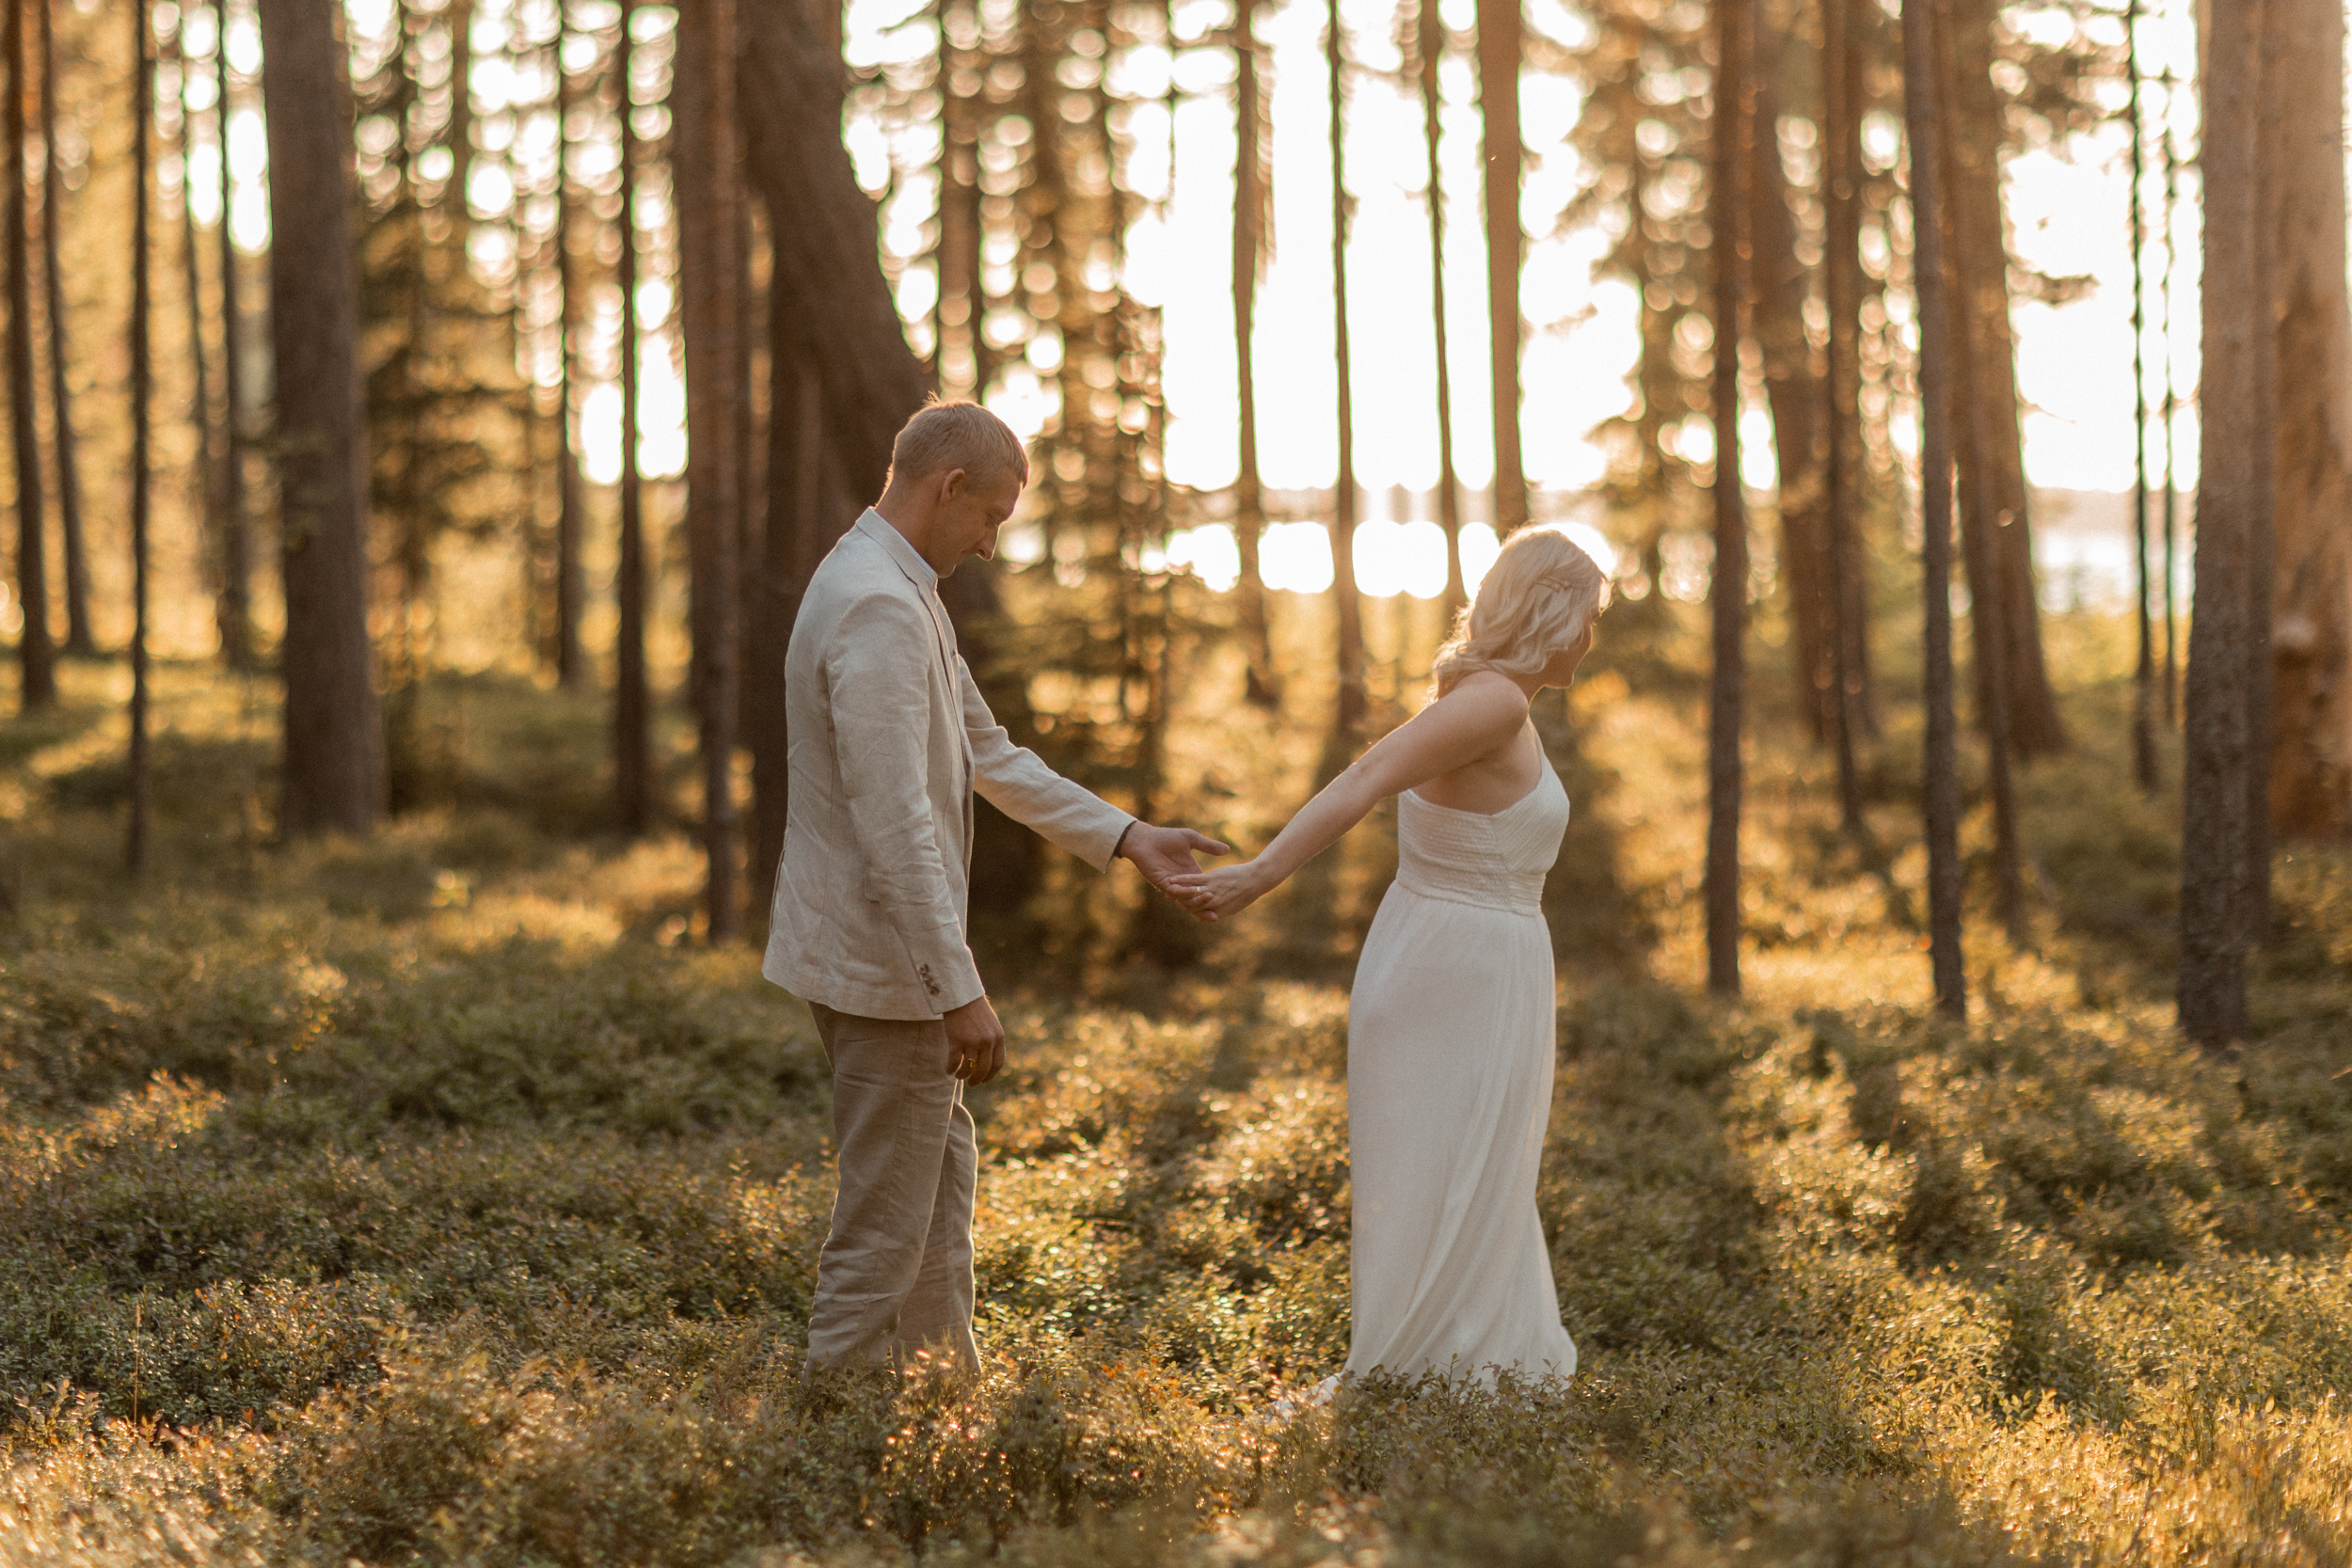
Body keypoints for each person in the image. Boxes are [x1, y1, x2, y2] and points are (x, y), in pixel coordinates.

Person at [766, 400, 1226, 1373]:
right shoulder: (881, 606)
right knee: (884, 1223)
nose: (988, 543)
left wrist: (1128, 834)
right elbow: (894, 825)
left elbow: (988, 752)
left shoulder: (895, 584)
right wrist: (958, 987)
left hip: (878, 953)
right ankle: (820, 1434)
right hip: (883, 962)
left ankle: (947, 1390)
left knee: (938, 1181)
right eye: (991, 518)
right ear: (949, 487)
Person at [1174, 526, 1608, 1386]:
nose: (1592, 639)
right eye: (1588, 617)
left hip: (1464, 958)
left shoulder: (1484, 696)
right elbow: (1364, 777)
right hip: (1457, 969)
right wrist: (1260, 874)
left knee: (1473, 1172)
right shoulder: (1494, 703)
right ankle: (1430, 1374)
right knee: (1447, 1171)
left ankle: (1457, 1364)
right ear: (1552, 614)